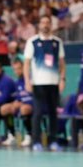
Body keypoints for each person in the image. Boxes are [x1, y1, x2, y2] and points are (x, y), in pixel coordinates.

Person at [23, 15, 66, 151]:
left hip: (53, 83)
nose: (45, 25)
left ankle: (53, 140)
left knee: (53, 112)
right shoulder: (32, 41)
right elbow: (26, 63)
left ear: (51, 25)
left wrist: (62, 80)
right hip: (38, 83)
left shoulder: (57, 42)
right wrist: (27, 81)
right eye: (43, 22)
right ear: (39, 25)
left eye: (48, 22)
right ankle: (36, 141)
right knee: (38, 112)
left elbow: (62, 63)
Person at [10, 58, 35, 146]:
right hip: (23, 105)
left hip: (36, 106)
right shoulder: (17, 82)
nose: (17, 71)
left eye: (19, 68)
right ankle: (11, 135)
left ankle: (30, 135)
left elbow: (37, 98)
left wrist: (23, 103)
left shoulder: (32, 79)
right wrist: (16, 102)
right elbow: (19, 97)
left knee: (24, 108)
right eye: (15, 69)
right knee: (6, 108)